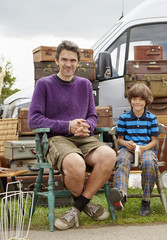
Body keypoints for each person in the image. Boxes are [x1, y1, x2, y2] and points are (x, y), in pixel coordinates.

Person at [28, 40, 116, 230]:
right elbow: (34, 120)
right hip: (56, 139)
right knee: (77, 164)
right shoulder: (44, 84)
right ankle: (84, 204)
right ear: (57, 60)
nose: (69, 64)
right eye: (65, 59)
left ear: (78, 63)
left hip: (83, 138)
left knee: (109, 155)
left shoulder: (84, 85)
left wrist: (88, 127)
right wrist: (68, 126)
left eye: (73, 60)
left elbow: (92, 116)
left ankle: (76, 208)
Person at [109, 83, 159, 216]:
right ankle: (121, 195)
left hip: (146, 148)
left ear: (146, 101)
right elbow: (119, 139)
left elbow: (154, 141)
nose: (137, 102)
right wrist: (126, 143)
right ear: (130, 100)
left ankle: (146, 200)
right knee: (122, 159)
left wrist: (143, 148)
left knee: (149, 163)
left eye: (141, 99)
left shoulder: (151, 118)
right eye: (134, 99)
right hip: (128, 148)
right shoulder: (124, 118)